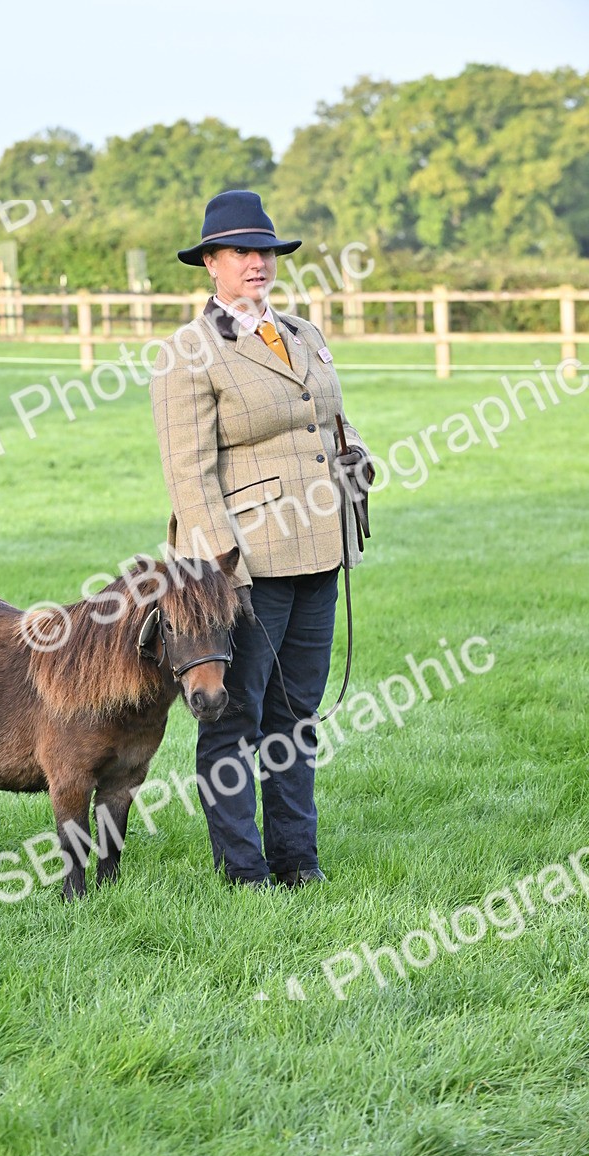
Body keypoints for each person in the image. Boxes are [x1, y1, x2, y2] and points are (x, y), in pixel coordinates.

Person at [150, 190, 373, 890]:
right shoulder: (189, 352)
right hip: (246, 561)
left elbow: (329, 421)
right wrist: (222, 574)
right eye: (241, 252)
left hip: (321, 548)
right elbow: (188, 476)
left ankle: (297, 860)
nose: (257, 262)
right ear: (210, 262)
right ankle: (242, 870)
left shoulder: (304, 333)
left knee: (297, 714)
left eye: (265, 250)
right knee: (235, 715)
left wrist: (358, 459)